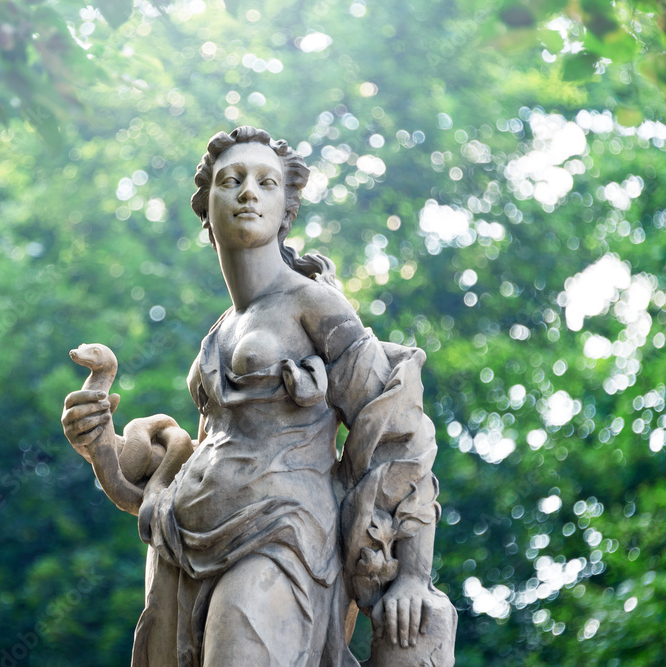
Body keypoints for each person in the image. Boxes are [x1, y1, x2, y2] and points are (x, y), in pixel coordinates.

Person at [61, 127, 454, 666]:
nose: (249, 191)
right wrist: (100, 442)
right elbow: (197, 455)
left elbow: (394, 430)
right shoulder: (219, 332)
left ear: (286, 208)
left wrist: (412, 575)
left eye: (266, 182)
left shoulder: (315, 306)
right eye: (233, 180)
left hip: (281, 535)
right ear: (207, 207)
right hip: (185, 539)